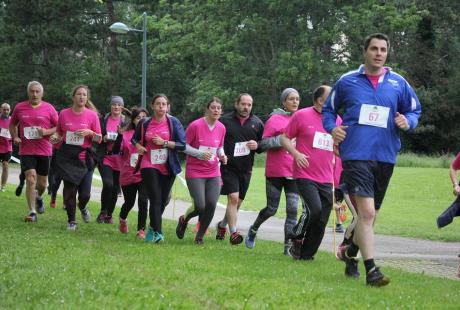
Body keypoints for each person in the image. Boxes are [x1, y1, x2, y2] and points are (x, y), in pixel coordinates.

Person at [322, 33, 422, 287]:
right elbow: (328, 110)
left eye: (383, 49)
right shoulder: (347, 81)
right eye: (374, 49)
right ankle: (372, 270)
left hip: (386, 155)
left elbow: (414, 110)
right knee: (365, 213)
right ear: (364, 51)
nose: (379, 53)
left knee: (371, 217)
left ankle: (349, 251)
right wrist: (333, 128)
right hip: (356, 154)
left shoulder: (398, 83)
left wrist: (407, 121)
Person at [280, 85, 340, 261]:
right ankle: (295, 235)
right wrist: (296, 154)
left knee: (321, 220)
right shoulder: (301, 115)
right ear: (320, 100)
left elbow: (337, 146)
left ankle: (306, 255)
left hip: (326, 177)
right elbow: (284, 138)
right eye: (331, 95)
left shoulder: (336, 120)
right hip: (305, 174)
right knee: (314, 209)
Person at [244, 88, 299, 255]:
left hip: (294, 171)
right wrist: (283, 140)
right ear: (284, 102)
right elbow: (264, 144)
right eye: (291, 99)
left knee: (292, 209)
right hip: (275, 171)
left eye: (297, 99)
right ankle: (253, 229)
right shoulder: (275, 119)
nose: (295, 102)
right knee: (272, 209)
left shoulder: (301, 118)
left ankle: (287, 248)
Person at [132, 94, 186, 243]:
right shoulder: (144, 122)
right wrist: (138, 146)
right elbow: (134, 138)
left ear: (167, 106)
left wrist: (165, 143)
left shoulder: (174, 122)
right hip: (149, 164)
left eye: (164, 104)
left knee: (162, 200)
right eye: (158, 104)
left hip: (168, 165)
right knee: (155, 198)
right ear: (153, 106)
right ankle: (158, 233)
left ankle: (151, 228)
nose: (161, 106)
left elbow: (182, 144)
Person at [175, 97, 227, 244]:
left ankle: (200, 236)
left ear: (221, 111)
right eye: (213, 107)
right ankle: (184, 220)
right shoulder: (195, 126)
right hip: (195, 170)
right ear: (207, 109)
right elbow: (183, 146)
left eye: (218, 108)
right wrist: (199, 154)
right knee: (200, 205)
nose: (216, 110)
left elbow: (219, 148)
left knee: (211, 204)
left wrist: (222, 155)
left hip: (213, 171)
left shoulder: (222, 128)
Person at [215, 93, 264, 245]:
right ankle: (234, 233)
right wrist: (221, 155)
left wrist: (258, 145)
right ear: (236, 104)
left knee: (238, 202)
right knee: (233, 199)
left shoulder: (257, 123)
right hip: (228, 167)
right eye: (243, 104)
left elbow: (263, 144)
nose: (246, 107)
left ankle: (222, 225)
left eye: (249, 105)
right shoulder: (224, 121)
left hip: (246, 169)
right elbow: (216, 141)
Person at [50, 85, 101, 230]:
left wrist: (89, 132)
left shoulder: (92, 115)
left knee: (85, 194)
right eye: (79, 94)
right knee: (69, 191)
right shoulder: (64, 114)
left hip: (85, 158)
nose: (81, 97)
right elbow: (59, 133)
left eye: (84, 95)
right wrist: (55, 138)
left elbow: (99, 139)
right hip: (67, 157)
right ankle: (71, 221)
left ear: (87, 98)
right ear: (73, 97)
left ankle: (83, 207)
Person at [9, 81, 58, 222]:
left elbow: (58, 126)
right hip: (26, 150)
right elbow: (13, 124)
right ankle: (32, 211)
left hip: (44, 149)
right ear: (28, 92)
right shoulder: (20, 107)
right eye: (32, 91)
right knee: (31, 178)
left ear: (42, 93)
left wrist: (46, 131)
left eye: (37, 91)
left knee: (42, 184)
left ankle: (38, 197)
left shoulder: (49, 108)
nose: (34, 94)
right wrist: (15, 136)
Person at [115, 107, 149, 239]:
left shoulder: (149, 134)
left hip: (144, 173)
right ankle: (123, 219)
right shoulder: (126, 134)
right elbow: (116, 151)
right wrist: (119, 136)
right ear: (133, 120)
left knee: (143, 200)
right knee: (129, 202)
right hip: (128, 174)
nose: (142, 120)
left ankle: (141, 229)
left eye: (144, 118)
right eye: (139, 118)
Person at [95, 96, 125, 224]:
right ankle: (103, 211)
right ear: (110, 106)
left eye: (119, 105)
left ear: (122, 107)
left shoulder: (126, 122)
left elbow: (130, 138)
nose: (116, 107)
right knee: (108, 184)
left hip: (120, 160)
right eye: (114, 104)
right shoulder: (104, 120)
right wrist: (104, 138)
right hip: (106, 157)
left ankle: (109, 214)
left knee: (115, 189)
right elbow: (96, 137)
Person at [0, 103, 12, 192]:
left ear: (10, 110)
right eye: (4, 109)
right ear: (1, 109)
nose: (6, 111)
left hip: (8, 146)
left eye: (7, 109)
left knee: (5, 166)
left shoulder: (12, 120)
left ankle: (3, 186)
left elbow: (16, 132)